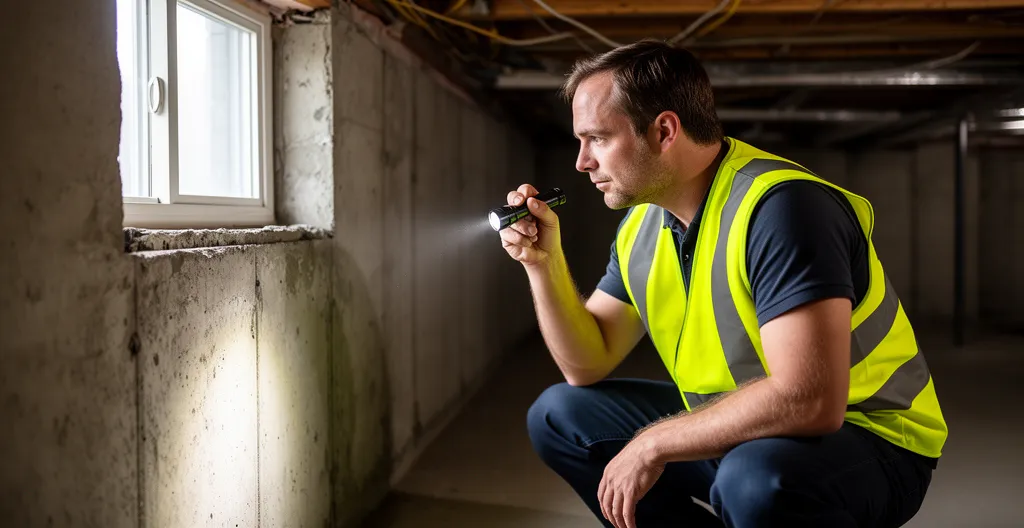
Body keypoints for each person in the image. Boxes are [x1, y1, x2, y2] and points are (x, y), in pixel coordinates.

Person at [497, 39, 947, 528]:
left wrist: (652, 443)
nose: (582, 161)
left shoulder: (782, 208)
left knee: (755, 480)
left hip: (870, 438)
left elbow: (810, 400)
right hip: (738, 427)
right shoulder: (644, 226)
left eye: (598, 138)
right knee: (560, 416)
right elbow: (586, 363)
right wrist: (542, 263)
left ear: (664, 130)